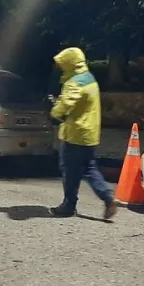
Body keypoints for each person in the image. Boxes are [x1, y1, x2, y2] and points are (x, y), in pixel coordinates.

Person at [48, 47, 117, 220]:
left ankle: (68, 205)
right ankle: (107, 196)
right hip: (91, 133)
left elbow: (66, 105)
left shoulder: (75, 82)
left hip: (75, 133)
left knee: (69, 170)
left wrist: (54, 110)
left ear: (69, 63)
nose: (60, 68)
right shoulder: (90, 78)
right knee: (90, 167)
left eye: (62, 65)